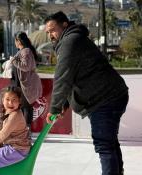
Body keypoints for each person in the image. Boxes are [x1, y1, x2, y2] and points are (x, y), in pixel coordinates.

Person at [44, 11, 129, 175]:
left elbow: (62, 78)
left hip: (105, 98)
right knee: (109, 143)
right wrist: (65, 103)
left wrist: (54, 108)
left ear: (65, 25)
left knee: (104, 144)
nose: (50, 35)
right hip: (110, 94)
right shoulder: (73, 39)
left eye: (53, 30)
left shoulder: (70, 41)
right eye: (48, 32)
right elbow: (74, 76)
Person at [0, 86, 31, 175]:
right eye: (7, 99)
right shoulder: (10, 113)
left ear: (19, 102)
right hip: (17, 148)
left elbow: (4, 133)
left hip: (16, 150)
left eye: (14, 100)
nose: (10, 103)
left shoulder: (15, 115)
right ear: (2, 100)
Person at [9, 31, 42, 126]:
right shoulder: (22, 51)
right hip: (20, 84)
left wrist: (13, 61)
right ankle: (24, 129)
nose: (14, 43)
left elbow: (26, 66)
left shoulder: (26, 51)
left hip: (24, 85)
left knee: (26, 107)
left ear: (18, 41)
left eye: (15, 41)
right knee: (22, 107)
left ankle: (26, 129)